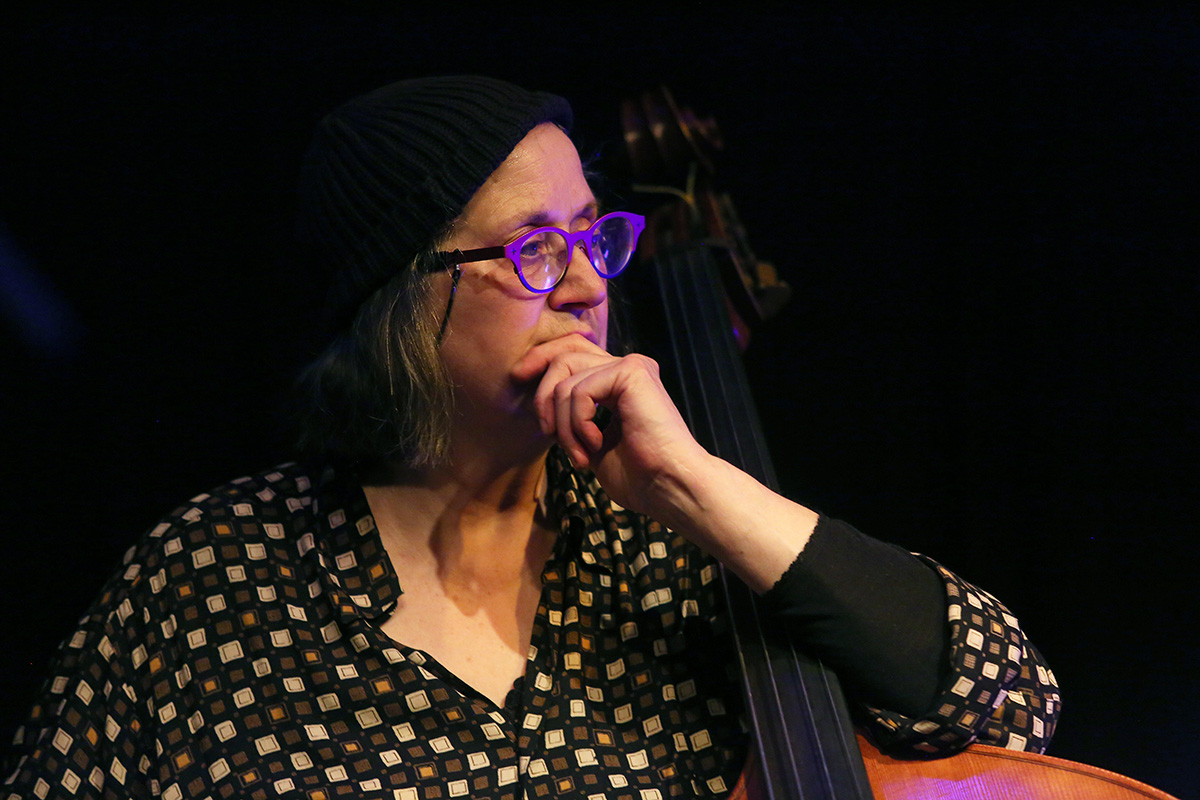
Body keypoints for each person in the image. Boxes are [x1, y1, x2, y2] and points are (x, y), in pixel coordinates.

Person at [4, 76, 1059, 800]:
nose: (594, 284)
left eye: (594, 233)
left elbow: (1010, 701)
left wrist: (699, 485)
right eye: (535, 251)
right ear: (402, 299)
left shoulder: (677, 548)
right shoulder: (209, 582)